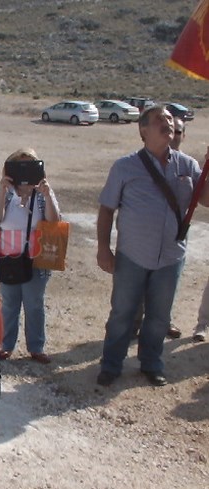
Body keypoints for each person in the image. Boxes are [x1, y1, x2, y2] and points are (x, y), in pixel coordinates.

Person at [96, 106, 209, 387]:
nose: (167, 122)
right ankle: (111, 364)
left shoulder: (188, 165)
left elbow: (206, 200)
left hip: (171, 257)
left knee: (159, 316)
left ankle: (151, 363)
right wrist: (103, 249)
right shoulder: (124, 167)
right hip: (132, 255)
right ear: (143, 130)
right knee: (122, 313)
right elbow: (107, 209)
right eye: (160, 119)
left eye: (170, 119)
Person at [0, 149, 61, 364]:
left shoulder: (42, 195)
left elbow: (54, 222)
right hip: (8, 259)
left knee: (34, 304)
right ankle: (6, 346)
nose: (24, 172)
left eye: (29, 166)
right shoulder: (6, 194)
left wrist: (47, 194)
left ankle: (36, 347)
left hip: (36, 259)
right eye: (19, 166)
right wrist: (2, 192)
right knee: (9, 305)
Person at [132, 116, 186, 340]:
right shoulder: (138, 163)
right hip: (142, 244)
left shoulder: (187, 165)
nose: (174, 135)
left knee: (165, 290)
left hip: (171, 244)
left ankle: (164, 321)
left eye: (179, 132)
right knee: (136, 291)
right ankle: (133, 325)